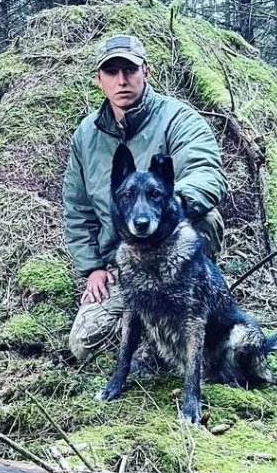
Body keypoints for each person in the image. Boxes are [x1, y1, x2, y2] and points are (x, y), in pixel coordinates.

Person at [62, 33, 228, 363]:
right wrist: (93, 268)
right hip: (123, 263)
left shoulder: (178, 119)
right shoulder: (86, 136)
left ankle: (185, 313)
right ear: (99, 80)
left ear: (146, 72)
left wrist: (168, 206)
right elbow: (77, 209)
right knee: (83, 346)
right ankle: (145, 332)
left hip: (173, 256)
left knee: (205, 220)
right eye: (111, 72)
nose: (121, 80)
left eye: (130, 70)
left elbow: (207, 173)